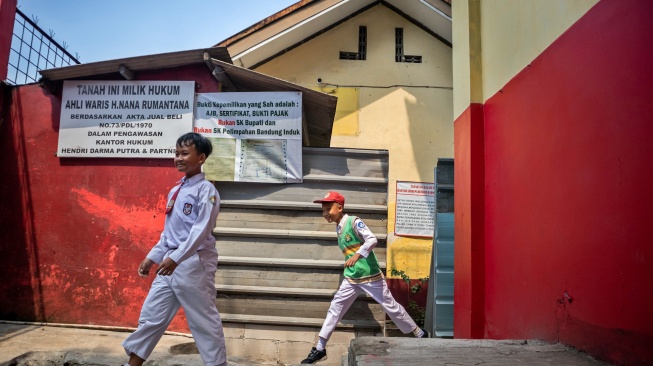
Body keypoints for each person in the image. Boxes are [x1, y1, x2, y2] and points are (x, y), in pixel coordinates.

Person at [122, 132, 226, 366]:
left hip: (193, 264)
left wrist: (177, 258)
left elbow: (200, 230)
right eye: (176, 153)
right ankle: (132, 364)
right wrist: (153, 256)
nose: (178, 158)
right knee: (152, 316)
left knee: (203, 320)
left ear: (200, 158)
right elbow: (170, 231)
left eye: (184, 153)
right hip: (169, 263)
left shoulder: (206, 190)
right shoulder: (176, 189)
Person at [301, 191, 429, 364]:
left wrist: (357, 256)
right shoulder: (338, 227)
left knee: (391, 307)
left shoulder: (354, 222)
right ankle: (319, 348)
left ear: (340, 207)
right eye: (323, 211)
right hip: (352, 278)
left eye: (328, 209)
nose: (325, 214)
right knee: (335, 308)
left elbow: (372, 240)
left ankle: (419, 333)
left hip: (371, 277)